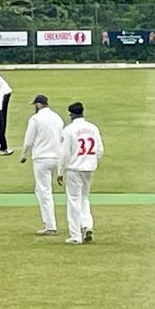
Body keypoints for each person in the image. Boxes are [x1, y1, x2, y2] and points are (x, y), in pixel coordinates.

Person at [57, 102, 104, 244]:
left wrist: (60, 171)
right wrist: (92, 162)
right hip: (89, 168)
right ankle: (87, 225)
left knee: (73, 200)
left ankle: (75, 235)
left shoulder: (69, 130)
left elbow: (64, 153)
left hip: (74, 169)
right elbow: (100, 150)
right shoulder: (93, 128)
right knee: (84, 198)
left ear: (71, 114)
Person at [20, 94, 65, 235]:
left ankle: (50, 225)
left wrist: (23, 154)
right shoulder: (57, 118)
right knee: (47, 191)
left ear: (38, 105)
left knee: (43, 191)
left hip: (41, 158)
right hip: (57, 157)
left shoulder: (36, 119)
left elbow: (28, 140)